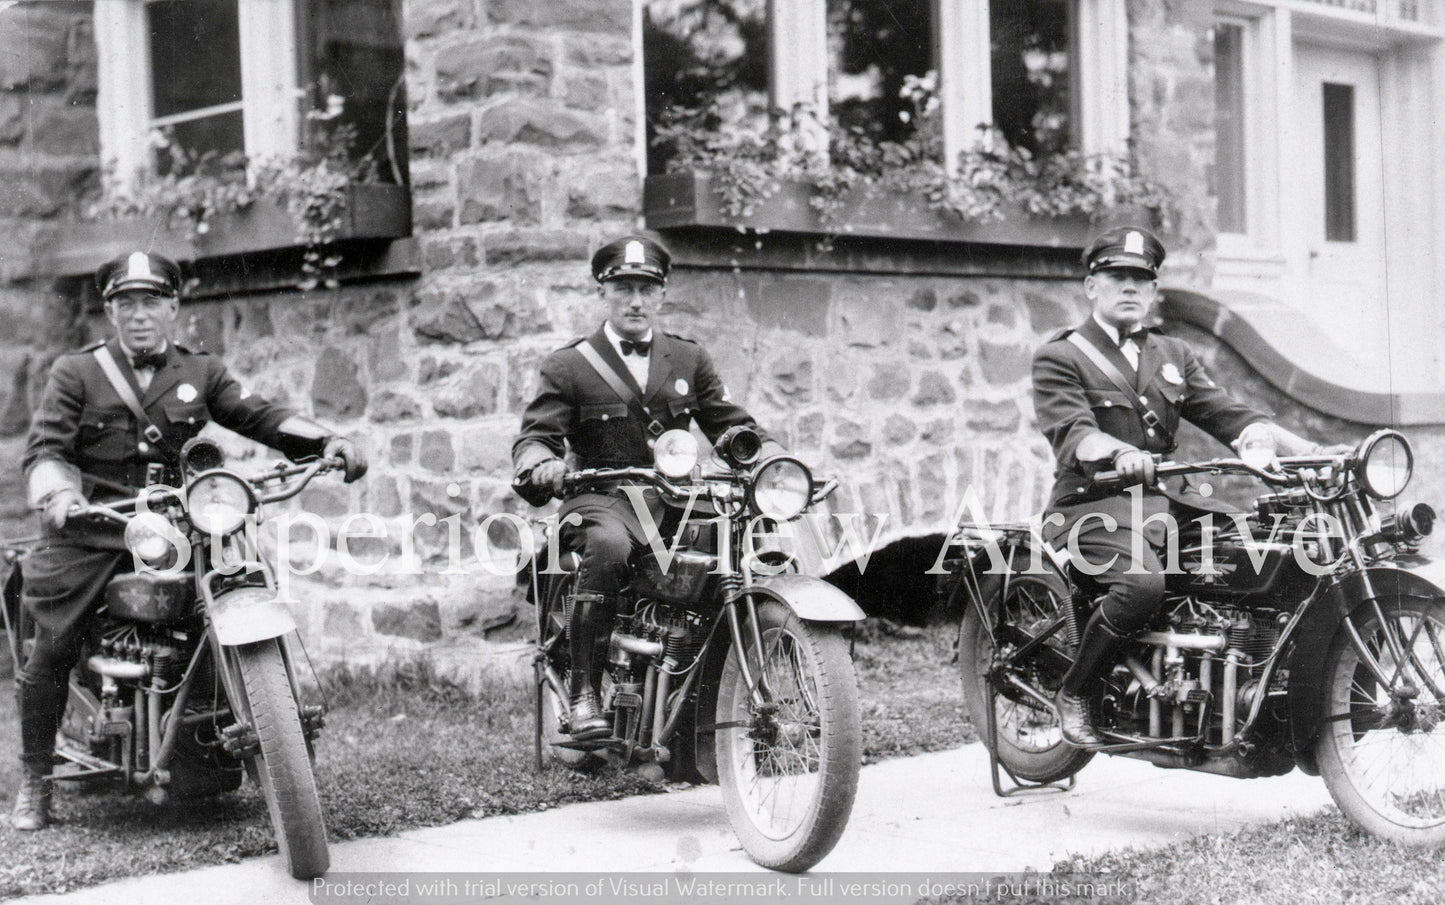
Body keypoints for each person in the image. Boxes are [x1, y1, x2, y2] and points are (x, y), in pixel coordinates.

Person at [12, 251, 368, 830]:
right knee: (53, 639)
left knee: (243, 576)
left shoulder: (200, 372)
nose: (139, 315)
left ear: (173, 307)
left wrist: (326, 442)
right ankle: (35, 777)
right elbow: (46, 449)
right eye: (127, 303)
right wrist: (60, 495)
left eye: (151, 301)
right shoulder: (75, 373)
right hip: (99, 530)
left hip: (180, 527)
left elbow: (259, 415)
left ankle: (259, 726)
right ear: (110, 311)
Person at [1031, 226, 1336, 746]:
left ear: (1153, 290)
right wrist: (1120, 453)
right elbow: (1075, 433)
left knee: (1267, 556)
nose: (1130, 287)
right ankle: (1076, 691)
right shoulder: (1062, 356)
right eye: (1117, 277)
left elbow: (1228, 414)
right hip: (1092, 507)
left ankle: (1239, 680)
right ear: (1092, 286)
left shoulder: (1172, 353)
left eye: (1140, 279)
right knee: (1141, 586)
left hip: (1167, 504)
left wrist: (1313, 452)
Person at [512, 235, 776, 740]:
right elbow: (535, 437)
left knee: (743, 540)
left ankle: (731, 696)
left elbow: (731, 425)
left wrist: (773, 458)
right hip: (601, 497)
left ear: (662, 294)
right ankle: (585, 694)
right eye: (623, 289)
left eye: (647, 290)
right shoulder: (569, 365)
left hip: (676, 498)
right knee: (609, 547)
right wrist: (541, 463)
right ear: (602, 292)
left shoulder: (688, 358)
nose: (635, 301)